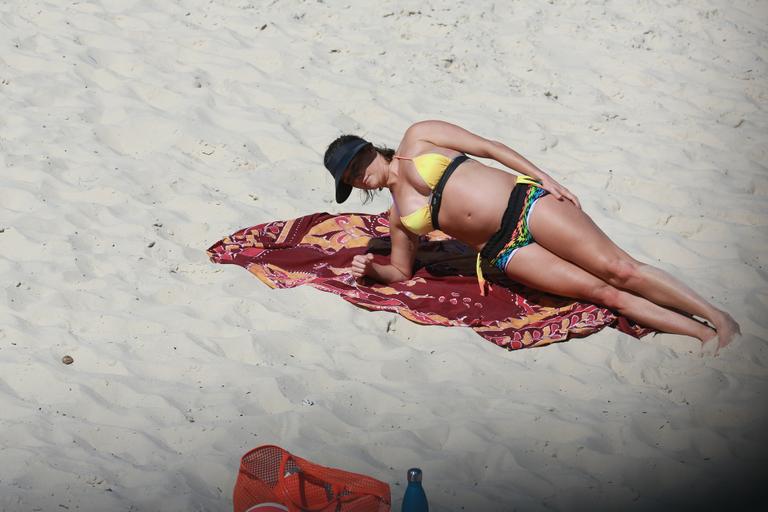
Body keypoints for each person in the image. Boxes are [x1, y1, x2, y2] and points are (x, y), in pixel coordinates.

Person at [322, 120, 740, 352]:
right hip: (504, 251)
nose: (360, 174)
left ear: (370, 148)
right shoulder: (399, 217)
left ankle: (721, 319)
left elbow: (489, 146)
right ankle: (701, 335)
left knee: (620, 269)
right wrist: (374, 270)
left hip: (526, 205)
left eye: (359, 162)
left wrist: (545, 178)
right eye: (351, 176)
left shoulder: (418, 136)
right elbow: (401, 269)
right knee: (603, 293)